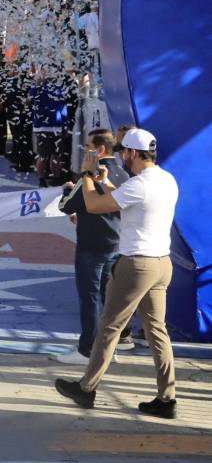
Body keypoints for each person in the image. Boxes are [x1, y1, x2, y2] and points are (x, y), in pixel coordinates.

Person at [55, 128, 180, 419]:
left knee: (109, 327)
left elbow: (95, 205)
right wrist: (104, 181)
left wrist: (88, 175)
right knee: (157, 331)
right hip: (162, 263)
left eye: (125, 152)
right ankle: (167, 398)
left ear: (133, 153)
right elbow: (124, 198)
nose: (122, 156)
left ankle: (86, 389)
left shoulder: (139, 184)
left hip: (137, 265)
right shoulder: (166, 179)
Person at [54, 129, 131, 365]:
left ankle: (87, 349)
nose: (84, 150)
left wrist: (68, 188)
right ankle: (109, 348)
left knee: (89, 298)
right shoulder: (123, 175)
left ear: (99, 149)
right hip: (116, 243)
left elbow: (66, 206)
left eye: (88, 146)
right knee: (109, 299)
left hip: (91, 244)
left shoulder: (90, 174)